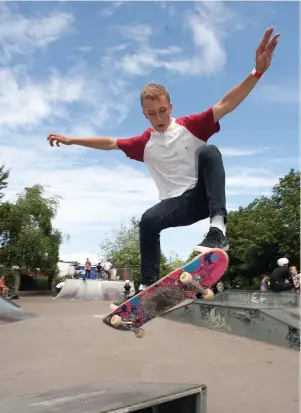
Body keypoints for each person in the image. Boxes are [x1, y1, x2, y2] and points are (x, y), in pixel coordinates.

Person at [47, 28, 280, 299]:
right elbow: (110, 142)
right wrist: (72, 140)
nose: (158, 118)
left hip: (205, 194)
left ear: (170, 106)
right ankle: (148, 286)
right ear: (144, 114)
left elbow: (227, 103)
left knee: (210, 152)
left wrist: (257, 72)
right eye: (151, 114)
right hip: (178, 206)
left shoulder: (190, 125)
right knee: (148, 220)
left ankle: (218, 229)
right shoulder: (143, 143)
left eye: (162, 111)